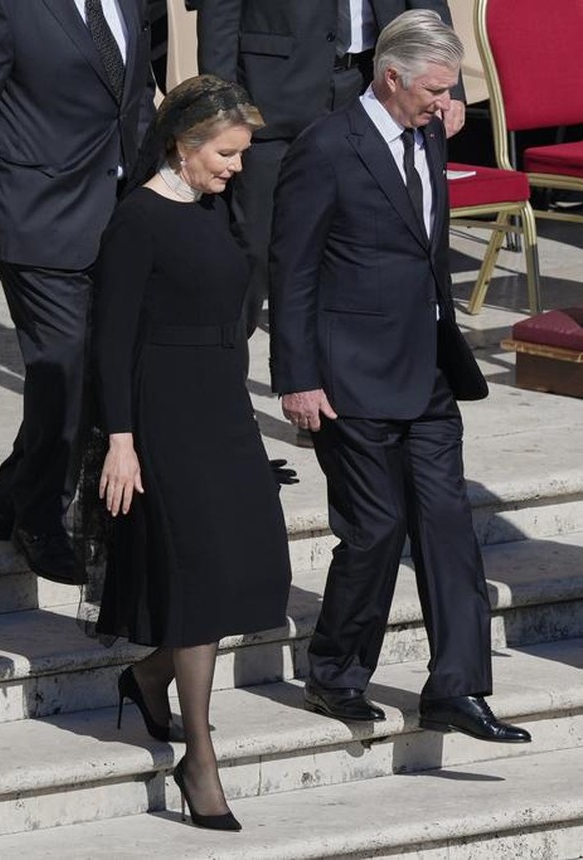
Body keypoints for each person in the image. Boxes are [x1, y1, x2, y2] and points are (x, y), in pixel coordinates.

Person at [269, 11, 531, 745]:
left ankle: (456, 686)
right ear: (391, 78)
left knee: (448, 529)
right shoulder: (326, 147)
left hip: (427, 373)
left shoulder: (424, 132)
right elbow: (291, 271)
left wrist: (436, 122)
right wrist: (296, 376)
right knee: (377, 529)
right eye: (438, 90)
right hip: (347, 375)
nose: (450, 106)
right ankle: (336, 671)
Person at [93, 75, 292, 831]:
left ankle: (148, 673)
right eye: (226, 152)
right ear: (182, 145)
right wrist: (120, 440)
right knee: (199, 575)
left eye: (241, 152)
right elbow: (109, 341)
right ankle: (200, 759)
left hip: (222, 404)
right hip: (161, 410)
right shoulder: (136, 220)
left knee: (256, 562)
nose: (237, 166)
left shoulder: (215, 207)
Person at [0, 0, 155, 583]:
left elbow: (134, 106)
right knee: (65, 364)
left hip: (112, 214)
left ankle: (11, 491)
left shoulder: (130, 5)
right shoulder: (7, 6)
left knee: (83, 365)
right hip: (33, 214)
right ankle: (38, 518)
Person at [196, 0, 466, 341]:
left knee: (357, 241)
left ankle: (343, 372)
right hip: (271, 93)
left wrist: (447, 86)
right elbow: (220, 10)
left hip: (370, 86)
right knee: (256, 245)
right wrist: (221, 103)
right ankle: (221, 363)